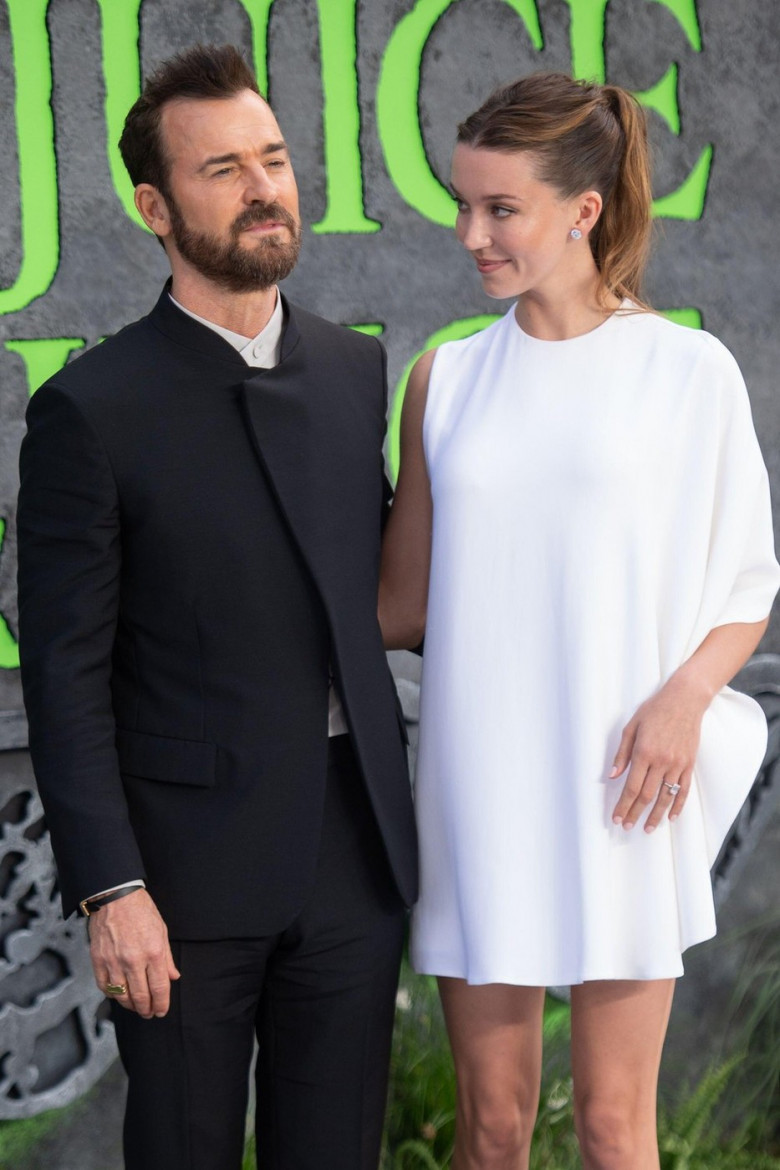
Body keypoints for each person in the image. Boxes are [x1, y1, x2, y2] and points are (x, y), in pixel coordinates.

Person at [17, 43, 417, 1170]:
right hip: (180, 879)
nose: (263, 189)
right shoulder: (90, 411)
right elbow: (66, 673)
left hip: (353, 855)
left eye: (276, 159)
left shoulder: (352, 369)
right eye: (223, 169)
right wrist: (112, 888)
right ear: (155, 207)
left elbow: (390, 587)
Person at [379, 71, 780, 1169]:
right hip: (480, 786)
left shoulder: (687, 372)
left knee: (614, 1128)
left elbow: (747, 583)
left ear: (583, 209)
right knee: (493, 1129)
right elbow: (401, 603)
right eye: (463, 204)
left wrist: (684, 702)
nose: (471, 234)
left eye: (499, 208)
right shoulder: (444, 381)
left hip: (624, 783)